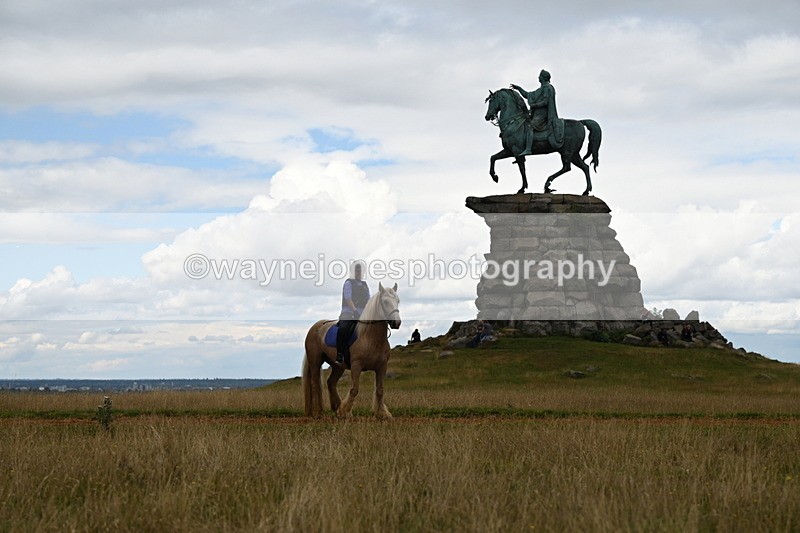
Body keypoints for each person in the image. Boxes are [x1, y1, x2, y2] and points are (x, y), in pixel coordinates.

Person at [510, 69, 565, 154]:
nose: (538, 77)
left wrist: (534, 105)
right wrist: (519, 88)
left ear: (543, 78)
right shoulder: (541, 89)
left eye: (540, 76)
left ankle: (528, 149)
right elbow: (528, 95)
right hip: (537, 114)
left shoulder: (547, 88)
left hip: (543, 115)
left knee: (530, 127)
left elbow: (545, 102)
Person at [336, 262, 370, 365]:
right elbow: (348, 298)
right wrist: (355, 311)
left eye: (360, 270)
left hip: (363, 313)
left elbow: (368, 300)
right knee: (344, 329)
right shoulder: (348, 283)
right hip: (349, 312)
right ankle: (340, 354)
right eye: (356, 270)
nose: (359, 272)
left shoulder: (364, 285)